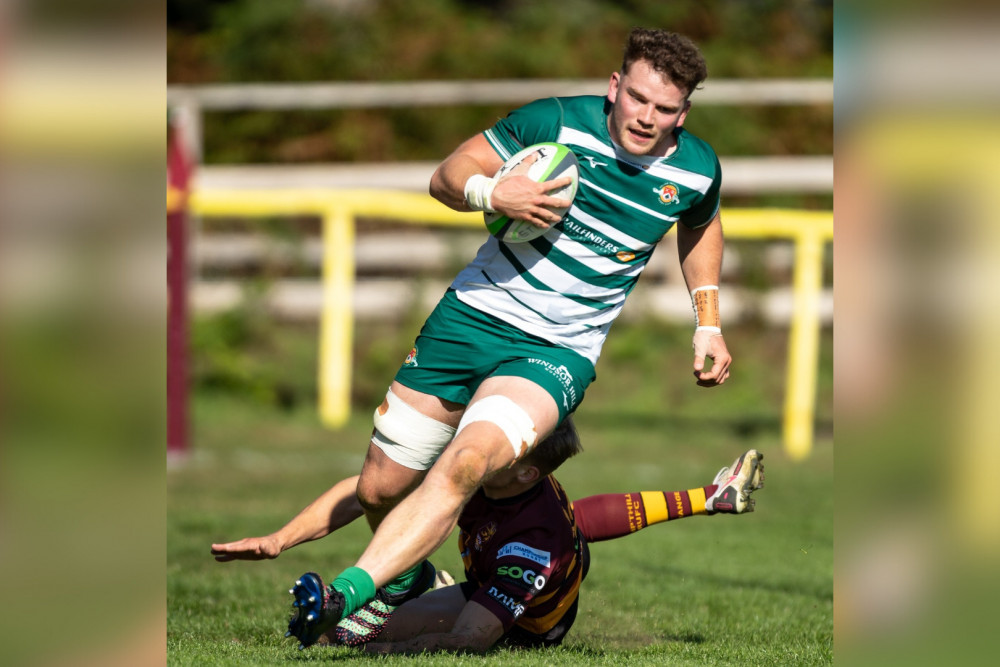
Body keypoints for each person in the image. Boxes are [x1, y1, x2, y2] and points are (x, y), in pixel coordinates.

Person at [283, 27, 732, 648]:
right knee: (380, 486)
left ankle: (347, 595)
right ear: (614, 86)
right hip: (470, 318)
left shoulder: (697, 166)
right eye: (637, 98)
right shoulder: (554, 121)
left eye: (664, 109)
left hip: (558, 349)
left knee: (468, 462)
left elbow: (701, 225)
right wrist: (492, 191)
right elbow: (448, 174)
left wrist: (707, 321)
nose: (647, 118)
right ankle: (408, 582)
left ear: (684, 111)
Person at [211, 419, 764, 653]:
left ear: (525, 471)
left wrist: (378, 641)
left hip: (523, 620)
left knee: (354, 639)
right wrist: (282, 538)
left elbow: (471, 638)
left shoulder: (533, 542)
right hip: (507, 565)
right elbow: (367, 492)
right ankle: (710, 498)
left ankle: (418, 589)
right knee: (576, 526)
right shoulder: (490, 468)